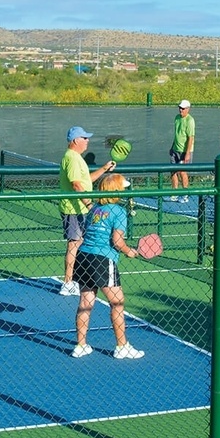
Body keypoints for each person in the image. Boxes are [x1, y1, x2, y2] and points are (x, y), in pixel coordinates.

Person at [70, 174, 145, 360]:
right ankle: (122, 346)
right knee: (118, 303)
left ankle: (80, 345)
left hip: (83, 257)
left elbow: (89, 210)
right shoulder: (119, 212)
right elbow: (117, 242)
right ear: (116, 190)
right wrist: (129, 251)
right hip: (102, 260)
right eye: (123, 187)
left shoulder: (95, 208)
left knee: (85, 303)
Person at [59, 126, 117, 296]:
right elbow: (76, 185)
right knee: (74, 243)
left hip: (80, 207)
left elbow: (86, 181)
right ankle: (68, 283)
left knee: (81, 242)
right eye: (84, 138)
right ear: (76, 140)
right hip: (74, 208)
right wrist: (90, 204)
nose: (87, 141)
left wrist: (104, 169)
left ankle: (76, 279)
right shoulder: (73, 158)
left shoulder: (76, 158)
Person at [169, 99, 195, 202]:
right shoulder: (176, 118)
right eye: (180, 108)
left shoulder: (190, 120)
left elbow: (190, 138)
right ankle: (174, 194)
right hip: (175, 149)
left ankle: (185, 195)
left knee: (183, 172)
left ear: (188, 109)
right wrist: (172, 147)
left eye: (183, 108)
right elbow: (177, 135)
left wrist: (187, 153)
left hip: (185, 151)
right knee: (173, 171)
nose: (181, 110)